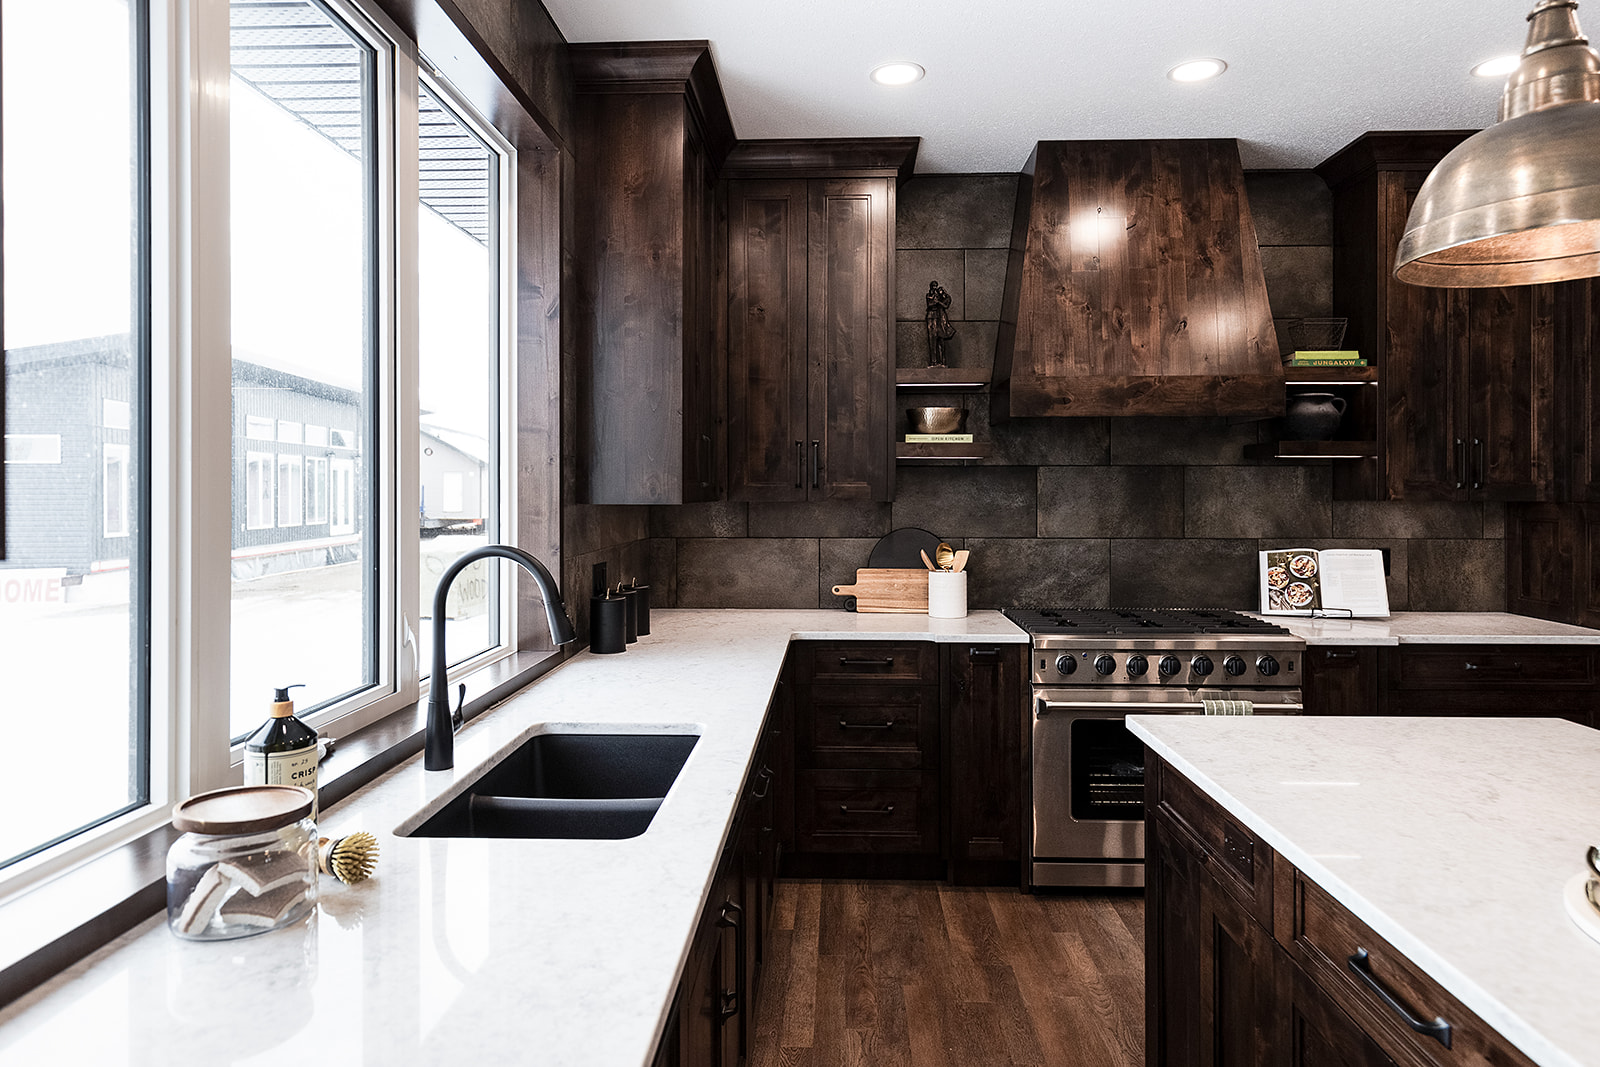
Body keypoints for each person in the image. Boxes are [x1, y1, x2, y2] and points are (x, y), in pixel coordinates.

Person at [924, 281, 955, 366]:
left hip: (939, 318)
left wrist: (943, 293)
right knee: (932, 339)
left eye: (936, 286)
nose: (935, 288)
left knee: (941, 339)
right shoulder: (929, 295)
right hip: (931, 317)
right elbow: (930, 303)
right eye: (933, 286)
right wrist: (935, 300)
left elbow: (946, 302)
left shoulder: (939, 296)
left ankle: (942, 361)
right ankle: (933, 361)